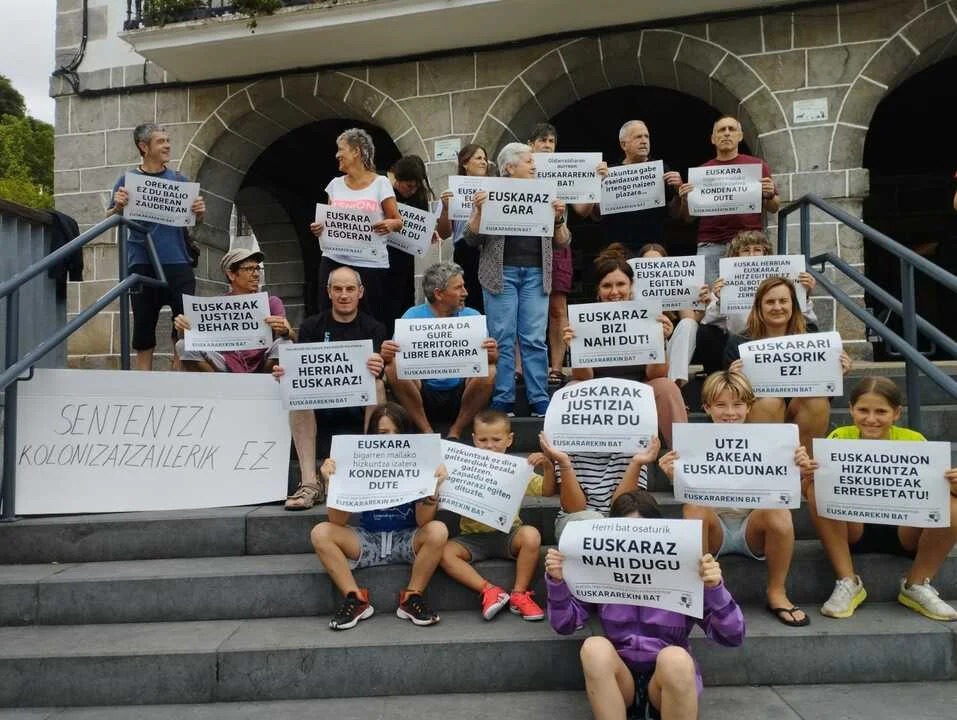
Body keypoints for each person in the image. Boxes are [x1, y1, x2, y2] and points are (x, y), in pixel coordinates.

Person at [545, 489, 745, 720]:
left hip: (667, 676)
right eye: (626, 535)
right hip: (622, 677)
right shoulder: (600, 569)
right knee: (594, 648)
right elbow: (564, 624)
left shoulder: (687, 570)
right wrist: (557, 583)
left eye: (642, 536)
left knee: (675, 659)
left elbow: (733, 635)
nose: (635, 547)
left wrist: (715, 589)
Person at [659, 370, 816, 627]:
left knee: (779, 511)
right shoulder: (692, 443)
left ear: (749, 407)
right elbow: (689, 489)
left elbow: (782, 489)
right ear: (707, 408)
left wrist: (797, 469)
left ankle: (777, 592)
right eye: (720, 405)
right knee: (693, 508)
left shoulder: (772, 443)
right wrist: (672, 474)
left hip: (753, 528)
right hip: (713, 530)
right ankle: (700, 591)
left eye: (738, 404)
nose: (730, 412)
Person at [803, 376, 957, 621]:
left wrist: (953, 486)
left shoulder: (914, 440)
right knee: (816, 489)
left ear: (896, 413)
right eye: (863, 410)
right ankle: (847, 581)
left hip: (905, 529)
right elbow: (809, 492)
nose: (871, 419)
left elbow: (934, 492)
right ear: (851, 409)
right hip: (853, 527)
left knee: (954, 504)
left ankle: (916, 585)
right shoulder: (839, 438)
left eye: (881, 412)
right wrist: (809, 476)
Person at [310, 402, 448, 630]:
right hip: (368, 538)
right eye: (383, 433)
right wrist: (332, 483)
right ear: (372, 436)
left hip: (407, 537)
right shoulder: (356, 460)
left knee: (438, 530)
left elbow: (424, 522)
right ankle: (355, 598)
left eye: (397, 432)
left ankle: (412, 596)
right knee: (320, 532)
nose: (391, 439)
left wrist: (431, 492)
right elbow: (337, 522)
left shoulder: (421, 462)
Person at [464, 142, 571, 417]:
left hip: (536, 274)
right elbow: (471, 238)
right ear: (510, 168)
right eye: (528, 161)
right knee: (502, 337)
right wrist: (479, 211)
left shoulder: (546, 194)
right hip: (501, 275)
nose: (534, 165)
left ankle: (539, 399)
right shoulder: (490, 193)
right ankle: (503, 399)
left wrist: (559, 219)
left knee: (533, 338)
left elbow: (562, 242)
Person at [273, 265, 388, 509]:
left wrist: (378, 365)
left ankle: (368, 469)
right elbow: (300, 369)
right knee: (297, 393)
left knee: (378, 385)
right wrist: (287, 374)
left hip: (358, 406)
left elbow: (378, 372)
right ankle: (309, 483)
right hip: (320, 405)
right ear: (329, 292)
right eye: (338, 289)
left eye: (350, 289)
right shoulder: (311, 326)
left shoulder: (374, 328)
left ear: (360, 292)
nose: (344, 295)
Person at [561, 244, 688, 448]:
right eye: (606, 286)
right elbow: (583, 378)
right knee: (571, 389)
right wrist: (576, 349)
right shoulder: (584, 322)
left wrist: (659, 342)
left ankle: (683, 455)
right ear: (598, 290)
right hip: (600, 391)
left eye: (620, 284)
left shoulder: (648, 317)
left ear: (631, 286)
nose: (614, 292)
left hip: (640, 389)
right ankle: (569, 461)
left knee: (667, 387)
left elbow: (657, 374)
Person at [440, 409, 555, 621]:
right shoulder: (461, 466)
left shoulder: (517, 469)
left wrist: (548, 467)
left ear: (509, 440)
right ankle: (490, 591)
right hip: (472, 538)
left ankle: (519, 594)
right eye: (483, 440)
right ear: (474, 439)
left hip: (508, 534)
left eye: (496, 439)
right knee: (445, 552)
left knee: (531, 535)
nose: (489, 445)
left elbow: (546, 492)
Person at [108, 123, 205, 371]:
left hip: (178, 262)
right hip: (142, 263)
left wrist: (199, 212)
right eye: (161, 141)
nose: (167, 146)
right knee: (143, 330)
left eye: (168, 140)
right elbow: (110, 218)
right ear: (144, 147)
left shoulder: (180, 180)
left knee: (184, 329)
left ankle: (179, 380)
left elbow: (195, 223)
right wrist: (117, 207)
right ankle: (144, 384)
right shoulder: (126, 181)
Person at [724, 276, 852, 454]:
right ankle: (768, 466)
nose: (777, 307)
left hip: (801, 411)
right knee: (770, 403)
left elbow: (824, 392)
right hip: (760, 412)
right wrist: (733, 380)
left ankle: (804, 466)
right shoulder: (739, 342)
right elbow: (727, 396)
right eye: (770, 302)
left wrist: (835, 371)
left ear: (793, 305)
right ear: (759, 307)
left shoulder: (812, 337)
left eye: (783, 301)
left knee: (817, 402)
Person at [381, 262, 497, 440]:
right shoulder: (412, 316)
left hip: (462, 390)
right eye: (458, 288)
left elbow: (491, 359)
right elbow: (394, 357)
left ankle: (456, 430)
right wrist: (387, 354)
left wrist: (492, 354)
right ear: (438, 294)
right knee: (392, 367)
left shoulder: (472, 316)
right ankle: (426, 430)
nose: (465, 292)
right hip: (423, 390)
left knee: (489, 370)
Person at [309, 128, 402, 327]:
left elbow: (397, 221)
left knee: (370, 318)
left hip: (370, 262)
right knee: (327, 314)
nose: (337, 155)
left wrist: (389, 224)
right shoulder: (335, 185)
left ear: (356, 151)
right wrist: (320, 228)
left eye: (340, 149)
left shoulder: (381, 183)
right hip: (334, 258)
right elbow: (329, 220)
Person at [527, 122, 596, 387]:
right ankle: (524, 368)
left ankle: (556, 367)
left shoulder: (564, 171)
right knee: (526, 310)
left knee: (557, 308)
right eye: (542, 140)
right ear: (531, 145)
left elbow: (582, 210)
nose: (547, 145)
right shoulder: (522, 170)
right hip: (526, 245)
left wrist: (594, 183)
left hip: (556, 243)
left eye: (551, 141)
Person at [698, 230, 818, 376]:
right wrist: (720, 301)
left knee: (812, 330)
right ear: (736, 255)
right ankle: (718, 378)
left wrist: (805, 295)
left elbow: (808, 321)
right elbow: (709, 321)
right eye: (745, 250)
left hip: (779, 338)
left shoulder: (782, 279)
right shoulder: (725, 283)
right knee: (706, 333)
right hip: (741, 342)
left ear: (765, 253)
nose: (751, 255)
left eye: (757, 250)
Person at [679, 116, 780, 283]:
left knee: (750, 294)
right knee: (711, 295)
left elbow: (774, 207)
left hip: (749, 244)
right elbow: (688, 218)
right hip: (711, 243)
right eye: (721, 130)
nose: (726, 133)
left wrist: (769, 194)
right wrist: (685, 200)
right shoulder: (702, 171)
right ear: (713, 139)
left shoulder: (757, 166)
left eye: (731, 129)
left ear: (740, 136)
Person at [172, 248, 293, 373]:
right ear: (231, 275)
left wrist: (285, 330)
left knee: (285, 343)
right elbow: (194, 338)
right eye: (249, 269)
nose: (256, 274)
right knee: (182, 345)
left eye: (257, 268)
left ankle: (267, 380)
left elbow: (293, 337)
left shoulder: (272, 302)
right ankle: (219, 382)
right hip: (225, 364)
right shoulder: (215, 305)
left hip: (263, 364)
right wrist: (183, 328)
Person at [591, 120, 685, 254]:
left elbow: (674, 214)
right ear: (623, 145)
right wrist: (597, 185)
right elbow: (596, 216)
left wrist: (678, 192)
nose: (644, 141)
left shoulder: (661, 170)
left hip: (653, 248)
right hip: (617, 249)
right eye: (638, 137)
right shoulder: (609, 173)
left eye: (647, 136)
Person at [635, 242, 711, 386]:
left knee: (688, 324)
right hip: (642, 356)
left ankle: (674, 384)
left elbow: (690, 324)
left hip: (670, 358)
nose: (654, 269)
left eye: (658, 264)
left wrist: (702, 306)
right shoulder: (630, 292)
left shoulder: (676, 287)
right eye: (647, 265)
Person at [387, 155, 439, 333]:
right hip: (382, 257)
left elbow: (421, 225)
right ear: (398, 179)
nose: (412, 190)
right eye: (409, 186)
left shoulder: (419, 197)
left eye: (416, 186)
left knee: (402, 302)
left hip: (404, 260)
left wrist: (428, 234)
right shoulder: (385, 191)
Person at [437, 143, 490, 313]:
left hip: (491, 248)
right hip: (466, 251)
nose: (483, 162)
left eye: (485, 159)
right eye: (478, 158)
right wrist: (446, 208)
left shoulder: (495, 189)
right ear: (465, 163)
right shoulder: (451, 192)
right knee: (472, 298)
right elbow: (444, 233)